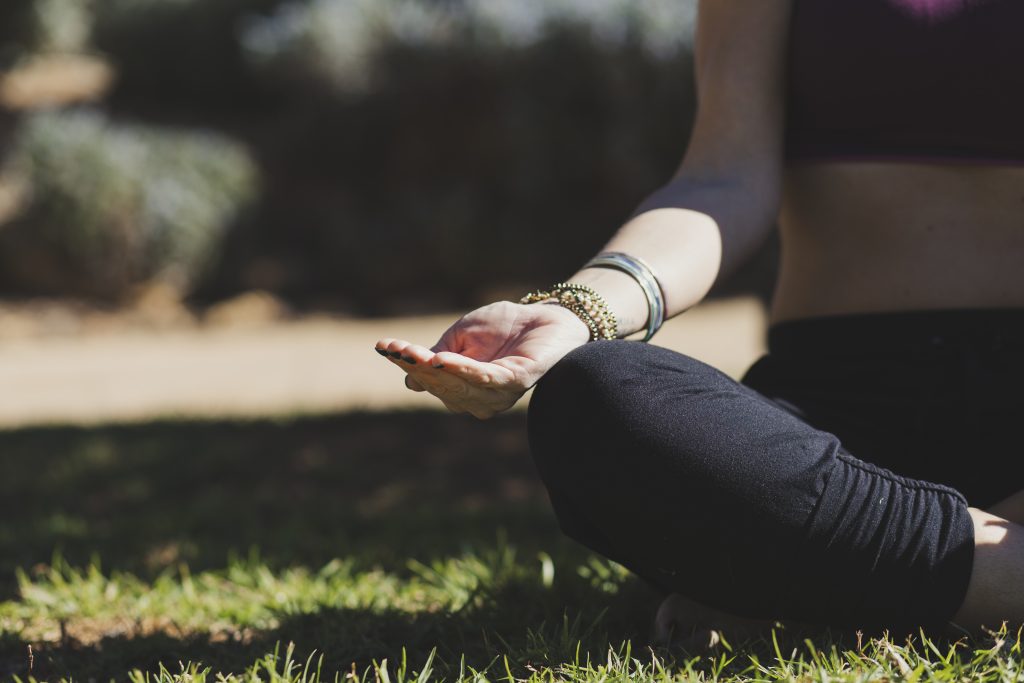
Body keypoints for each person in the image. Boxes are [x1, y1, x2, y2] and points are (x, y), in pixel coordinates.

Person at [375, 0, 1024, 638]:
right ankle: (978, 574)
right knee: (595, 398)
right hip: (837, 408)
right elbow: (721, 180)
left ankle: (840, 581)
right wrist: (579, 309)